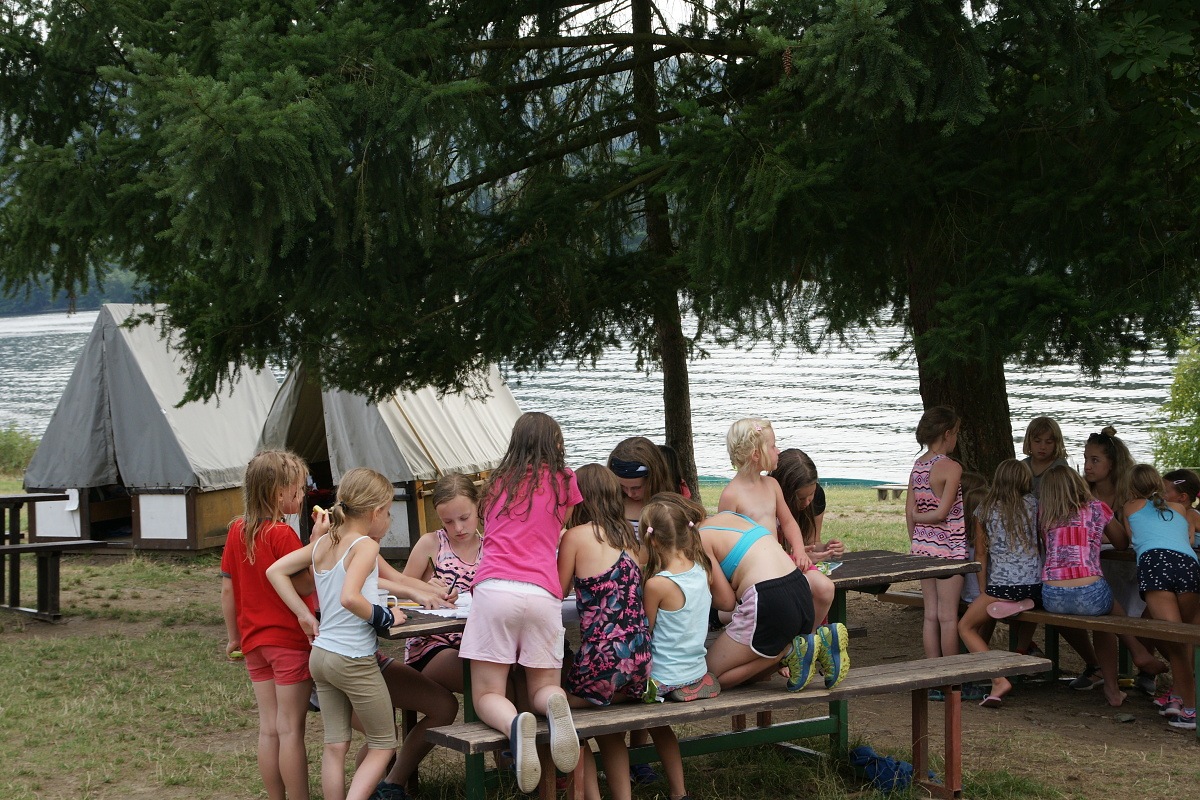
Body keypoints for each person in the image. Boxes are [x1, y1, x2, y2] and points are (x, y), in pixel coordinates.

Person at [458, 411, 582, 793]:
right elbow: (560, 527)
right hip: (543, 592)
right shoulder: (565, 481)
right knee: (542, 687)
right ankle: (555, 706)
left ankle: (515, 726)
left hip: (494, 589)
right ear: (555, 444)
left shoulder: (495, 482)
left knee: (488, 694)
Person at [267, 468, 404, 800]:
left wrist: (303, 614)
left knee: (335, 745)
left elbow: (275, 571)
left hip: (321, 656)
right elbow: (350, 598)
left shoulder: (325, 542)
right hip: (353, 658)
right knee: (383, 745)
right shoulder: (365, 546)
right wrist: (388, 616)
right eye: (388, 512)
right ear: (375, 512)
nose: (388, 520)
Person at [220, 450, 314, 800]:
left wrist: (234, 637)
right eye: (298, 490)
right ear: (279, 493)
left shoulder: (237, 531)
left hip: (253, 644)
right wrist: (316, 547)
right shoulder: (282, 534)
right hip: (289, 642)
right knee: (290, 730)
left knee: (269, 729)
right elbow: (305, 585)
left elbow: (227, 590)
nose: (302, 496)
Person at [557, 464, 653, 800]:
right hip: (640, 659)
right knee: (609, 726)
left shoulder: (575, 537)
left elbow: (557, 591)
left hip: (604, 659)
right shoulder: (631, 539)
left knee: (556, 707)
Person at [695, 498, 850, 694]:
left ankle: (788, 651)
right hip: (800, 588)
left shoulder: (699, 539)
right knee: (756, 674)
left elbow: (726, 602)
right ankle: (810, 641)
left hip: (768, 600)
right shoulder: (730, 518)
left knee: (708, 677)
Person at [638, 493, 729, 800]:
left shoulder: (656, 584)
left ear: (651, 540)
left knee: (631, 708)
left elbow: (645, 632)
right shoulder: (703, 570)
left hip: (664, 678)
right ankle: (650, 773)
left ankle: (677, 791)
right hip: (695, 670)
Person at [1037, 464, 1130, 707]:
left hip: (1052, 597)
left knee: (1074, 610)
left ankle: (1098, 666)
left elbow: (1051, 547)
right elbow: (1122, 543)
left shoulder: (1044, 513)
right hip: (1090, 594)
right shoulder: (1097, 507)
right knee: (1106, 616)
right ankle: (1114, 686)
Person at [1084, 426, 1167, 694]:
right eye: (1085, 459)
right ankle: (1109, 676)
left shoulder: (1130, 495)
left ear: (1113, 463)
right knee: (1103, 613)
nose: (1087, 466)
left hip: (1132, 565)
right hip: (1100, 566)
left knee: (1143, 611)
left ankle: (1145, 671)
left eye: (1095, 460)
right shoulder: (1083, 494)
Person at [956, 460, 1041, 708]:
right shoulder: (1034, 504)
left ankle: (998, 679)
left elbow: (981, 554)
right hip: (1035, 585)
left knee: (965, 627)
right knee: (1023, 604)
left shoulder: (984, 509)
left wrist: (984, 591)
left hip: (1002, 586)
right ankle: (1020, 614)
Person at [1124, 464, 1200, 729]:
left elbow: (1129, 540)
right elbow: (1188, 537)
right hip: (1188, 565)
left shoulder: (1129, 507)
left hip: (1156, 564)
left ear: (1130, 487)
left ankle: (1191, 709)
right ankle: (1178, 697)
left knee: (1175, 641)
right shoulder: (1179, 508)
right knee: (1185, 637)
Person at [401, 473, 483, 694]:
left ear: (478, 506)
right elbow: (399, 592)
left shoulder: (491, 547)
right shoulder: (431, 543)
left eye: (464, 518)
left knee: (507, 676)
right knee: (481, 678)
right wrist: (426, 588)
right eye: (448, 522)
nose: (458, 528)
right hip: (431, 645)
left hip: (477, 641)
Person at [905, 405, 966, 660]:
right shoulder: (951, 468)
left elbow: (909, 510)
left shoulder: (918, 465)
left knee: (930, 614)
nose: (956, 438)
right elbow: (942, 512)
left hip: (922, 547)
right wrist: (921, 518)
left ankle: (933, 669)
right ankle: (950, 674)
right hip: (949, 548)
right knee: (948, 616)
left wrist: (917, 540)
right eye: (956, 433)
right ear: (947, 433)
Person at [771, 448, 842, 562]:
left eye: (811, 493)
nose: (807, 502)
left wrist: (826, 549)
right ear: (783, 492)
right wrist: (795, 558)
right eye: (800, 498)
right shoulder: (766, 501)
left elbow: (812, 542)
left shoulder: (817, 496)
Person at [608, 436, 675, 535]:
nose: (630, 494)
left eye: (636, 487)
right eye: (622, 486)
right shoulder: (609, 506)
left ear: (654, 480)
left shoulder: (673, 509)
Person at [1020, 416, 1069, 495]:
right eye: (1037, 441)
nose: (1042, 447)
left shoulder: (1060, 467)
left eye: (1048, 442)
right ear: (1029, 442)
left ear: (1056, 444)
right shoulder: (1023, 466)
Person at [1162, 468, 1200, 544]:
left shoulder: (1190, 514)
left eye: (1164, 492)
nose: (1159, 495)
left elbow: (1188, 540)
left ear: (1182, 497)